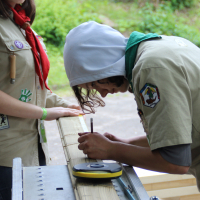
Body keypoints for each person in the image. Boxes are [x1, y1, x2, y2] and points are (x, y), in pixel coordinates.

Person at [63, 21, 200, 191]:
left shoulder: (151, 67)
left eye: (96, 84)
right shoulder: (161, 46)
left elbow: (175, 161)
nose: (103, 93)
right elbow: (176, 135)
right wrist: (126, 143)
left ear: (103, 63)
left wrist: (111, 150)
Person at [0, 0, 84, 199]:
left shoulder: (19, 22)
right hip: (6, 153)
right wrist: (44, 113)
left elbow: (26, 85)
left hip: (33, 146)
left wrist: (63, 105)